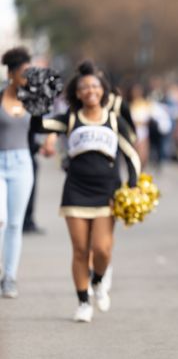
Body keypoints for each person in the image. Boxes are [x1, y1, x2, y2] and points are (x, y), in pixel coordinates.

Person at [31, 61, 140, 322]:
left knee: (101, 249)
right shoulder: (69, 118)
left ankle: (99, 279)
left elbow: (132, 154)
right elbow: (39, 127)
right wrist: (37, 105)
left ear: (102, 90)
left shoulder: (114, 120)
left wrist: (133, 185)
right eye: (84, 87)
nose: (90, 90)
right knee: (80, 250)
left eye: (94, 86)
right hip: (76, 191)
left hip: (107, 192)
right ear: (77, 93)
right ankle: (82, 302)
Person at [0, 47, 35, 298]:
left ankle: (9, 277)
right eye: (24, 72)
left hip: (22, 163)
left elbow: (45, 125)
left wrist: (48, 142)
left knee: (14, 223)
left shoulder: (33, 99)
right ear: (11, 73)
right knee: (0, 219)